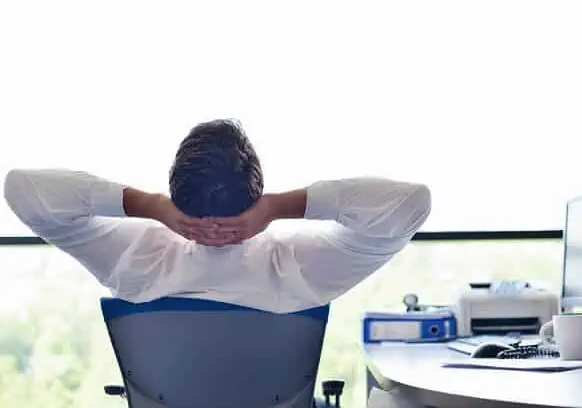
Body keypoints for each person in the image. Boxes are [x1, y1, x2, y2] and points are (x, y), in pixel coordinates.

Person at [3, 119, 431, 313]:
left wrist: (149, 205)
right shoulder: (299, 272)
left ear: (177, 194)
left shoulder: (136, 262)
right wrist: (280, 207)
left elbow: (22, 189)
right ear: (255, 192)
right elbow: (412, 204)